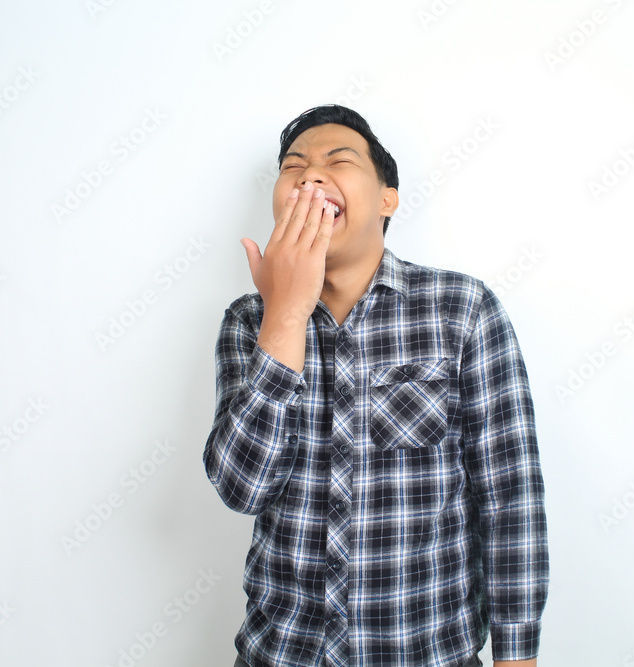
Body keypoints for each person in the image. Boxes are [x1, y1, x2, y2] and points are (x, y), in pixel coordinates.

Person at [205, 104, 548, 667]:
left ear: (388, 199)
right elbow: (243, 489)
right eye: (294, 168)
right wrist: (285, 314)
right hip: (281, 653)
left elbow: (510, 497)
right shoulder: (249, 322)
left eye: (338, 161)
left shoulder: (461, 310)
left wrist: (517, 654)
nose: (310, 178)